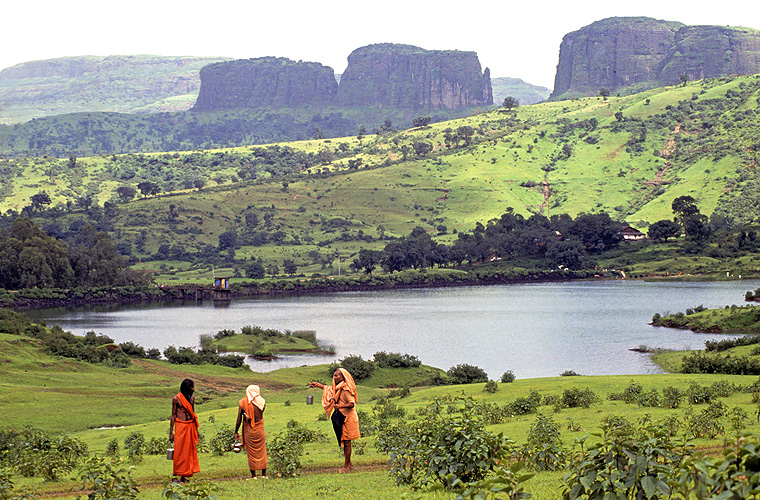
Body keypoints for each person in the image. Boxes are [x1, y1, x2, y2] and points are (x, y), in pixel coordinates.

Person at [309, 368, 360, 472]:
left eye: (337, 376)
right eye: (334, 375)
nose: (335, 377)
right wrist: (318, 385)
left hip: (348, 417)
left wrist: (339, 406)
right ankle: (349, 464)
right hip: (342, 416)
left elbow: (351, 404)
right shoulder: (338, 388)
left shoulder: (346, 389)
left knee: (347, 442)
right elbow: (330, 390)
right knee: (345, 441)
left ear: (343, 377)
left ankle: (346, 467)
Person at [233, 385, 267, 479]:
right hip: (260, 429)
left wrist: (236, 431)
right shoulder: (262, 401)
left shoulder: (243, 402)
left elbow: (239, 418)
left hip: (249, 430)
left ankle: (254, 475)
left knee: (251, 453)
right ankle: (264, 474)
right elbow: (261, 413)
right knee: (262, 451)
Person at [169, 378, 200, 482]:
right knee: (179, 452)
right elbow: (173, 415)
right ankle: (175, 476)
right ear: (187, 388)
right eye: (192, 387)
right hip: (180, 427)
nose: (194, 389)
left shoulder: (192, 398)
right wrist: (171, 432)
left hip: (190, 426)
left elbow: (193, 413)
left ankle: (184, 476)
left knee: (188, 452)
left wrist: (196, 430)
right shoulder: (176, 399)